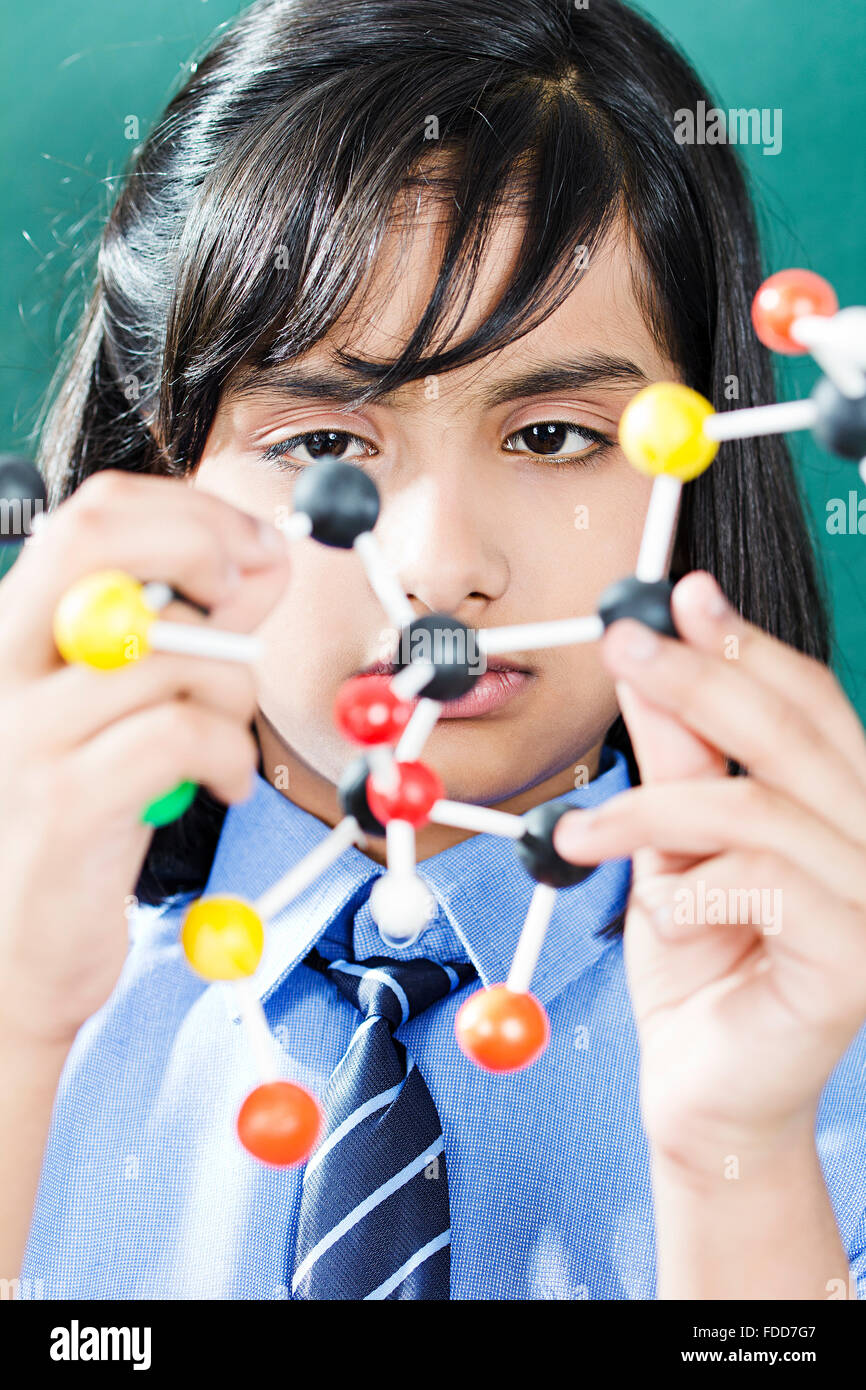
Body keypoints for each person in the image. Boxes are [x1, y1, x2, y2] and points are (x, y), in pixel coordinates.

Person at [2, 0, 864, 1300]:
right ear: (159, 471)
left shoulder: (825, 1039)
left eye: (552, 435)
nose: (440, 562)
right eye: (324, 444)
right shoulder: (34, 992)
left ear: (699, 462)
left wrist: (735, 1165)